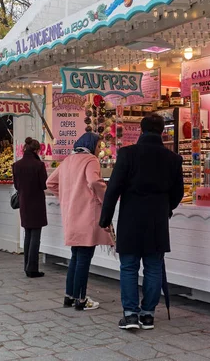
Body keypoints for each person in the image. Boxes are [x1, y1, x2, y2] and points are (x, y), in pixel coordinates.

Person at [99, 114, 184, 330]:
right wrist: (166, 208)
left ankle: (130, 315)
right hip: (157, 220)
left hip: (131, 218)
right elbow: (178, 193)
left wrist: (105, 218)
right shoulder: (173, 158)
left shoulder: (128, 154)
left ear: (141, 130)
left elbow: (114, 188)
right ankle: (148, 314)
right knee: (153, 267)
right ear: (163, 131)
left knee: (129, 267)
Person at [46, 132, 113, 311]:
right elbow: (94, 181)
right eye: (98, 146)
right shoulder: (90, 160)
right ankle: (81, 299)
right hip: (87, 215)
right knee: (84, 258)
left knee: (76, 257)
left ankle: (70, 295)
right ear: (91, 144)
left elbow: (50, 182)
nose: (99, 151)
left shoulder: (68, 160)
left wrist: (67, 197)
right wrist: (106, 199)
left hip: (71, 216)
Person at [12, 137, 48, 278]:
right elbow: (43, 184)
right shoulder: (39, 165)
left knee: (28, 234)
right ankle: (32, 268)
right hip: (37, 202)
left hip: (24, 202)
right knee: (35, 235)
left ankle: (27, 265)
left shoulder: (17, 165)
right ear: (36, 150)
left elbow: (16, 185)